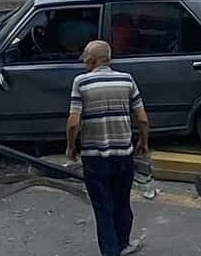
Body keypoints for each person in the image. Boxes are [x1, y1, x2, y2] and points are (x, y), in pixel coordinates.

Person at [66, 40, 149, 256]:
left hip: (95, 157)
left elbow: (74, 122)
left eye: (85, 56)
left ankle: (111, 252)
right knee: (122, 203)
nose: (83, 60)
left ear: (93, 59)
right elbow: (142, 119)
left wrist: (71, 146)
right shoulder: (126, 80)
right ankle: (122, 245)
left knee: (103, 208)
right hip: (124, 155)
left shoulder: (81, 83)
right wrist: (143, 142)